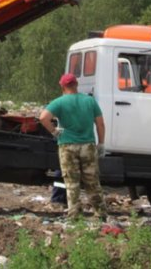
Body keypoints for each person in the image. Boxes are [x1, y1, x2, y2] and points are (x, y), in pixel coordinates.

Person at [39, 73, 109, 220]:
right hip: (88, 146)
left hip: (67, 146)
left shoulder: (59, 102)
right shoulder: (90, 101)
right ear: (76, 84)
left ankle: (75, 215)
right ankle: (100, 214)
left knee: (71, 183)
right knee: (92, 181)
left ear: (63, 86)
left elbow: (43, 118)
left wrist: (54, 131)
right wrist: (101, 143)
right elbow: (100, 124)